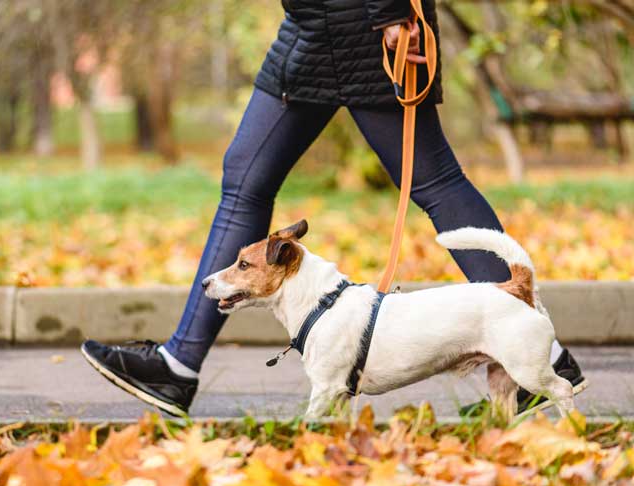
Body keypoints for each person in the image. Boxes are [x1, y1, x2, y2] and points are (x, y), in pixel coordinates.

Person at [81, 0, 585, 417]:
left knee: (433, 180)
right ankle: (179, 364)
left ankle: (540, 356)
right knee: (246, 179)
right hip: (315, 24)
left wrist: (391, 11)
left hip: (362, 23)